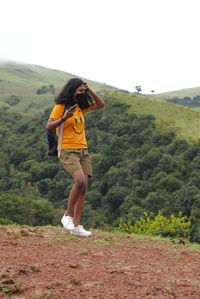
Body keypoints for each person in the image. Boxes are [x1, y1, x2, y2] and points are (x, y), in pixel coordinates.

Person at [46, 78, 105, 236]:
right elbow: (49, 126)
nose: (81, 93)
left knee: (84, 187)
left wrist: (89, 90)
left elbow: (101, 104)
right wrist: (64, 117)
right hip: (67, 149)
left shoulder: (81, 107)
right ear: (71, 90)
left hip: (83, 150)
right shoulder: (61, 106)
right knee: (79, 180)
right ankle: (67, 215)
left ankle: (77, 226)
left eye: (83, 91)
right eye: (79, 91)